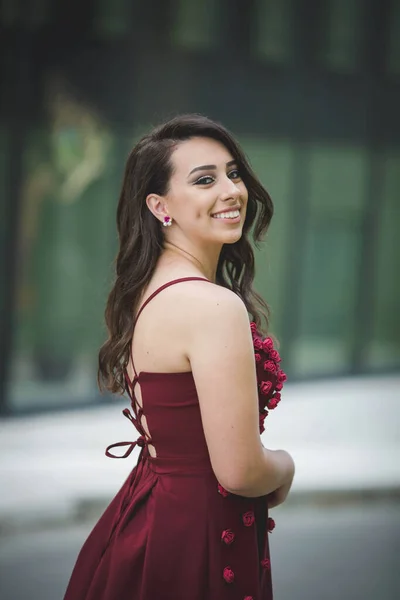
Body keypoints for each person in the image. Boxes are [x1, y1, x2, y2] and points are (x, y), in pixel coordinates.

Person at [63, 114, 295, 600]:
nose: (231, 190)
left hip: (149, 511)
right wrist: (284, 466)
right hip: (197, 533)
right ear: (159, 206)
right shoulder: (211, 306)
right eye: (204, 180)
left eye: (234, 173)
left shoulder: (151, 290)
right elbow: (240, 470)